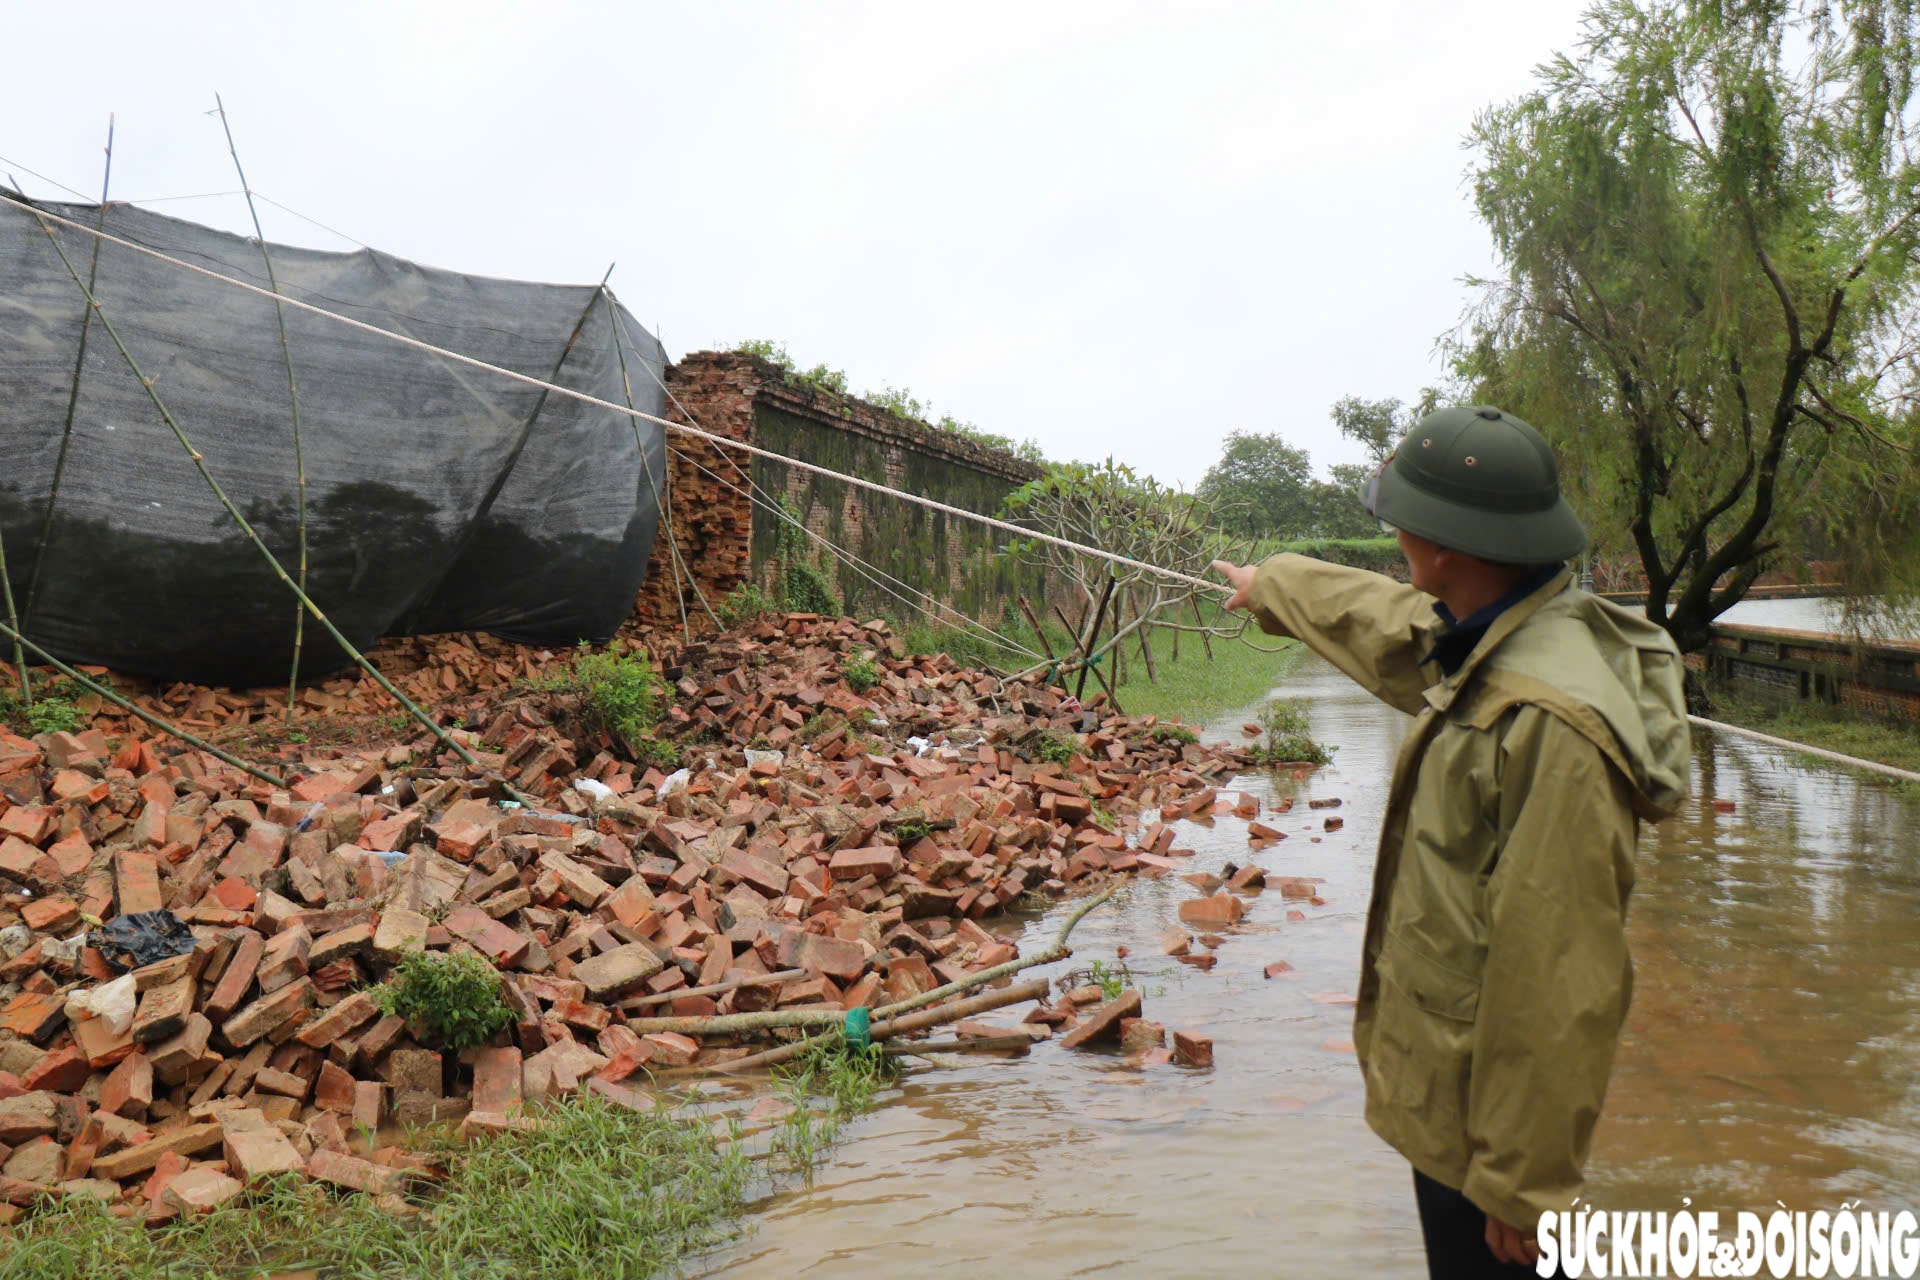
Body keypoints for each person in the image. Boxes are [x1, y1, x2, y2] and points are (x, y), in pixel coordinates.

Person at [1210, 406, 1691, 1278]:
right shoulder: (1497, 631)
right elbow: (1389, 622)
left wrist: (1524, 1180)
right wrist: (1272, 587)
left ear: (1443, 549)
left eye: (1405, 525)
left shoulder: (1552, 722)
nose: (1397, 540)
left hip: (1487, 1121)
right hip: (1458, 1087)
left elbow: (1559, 965)